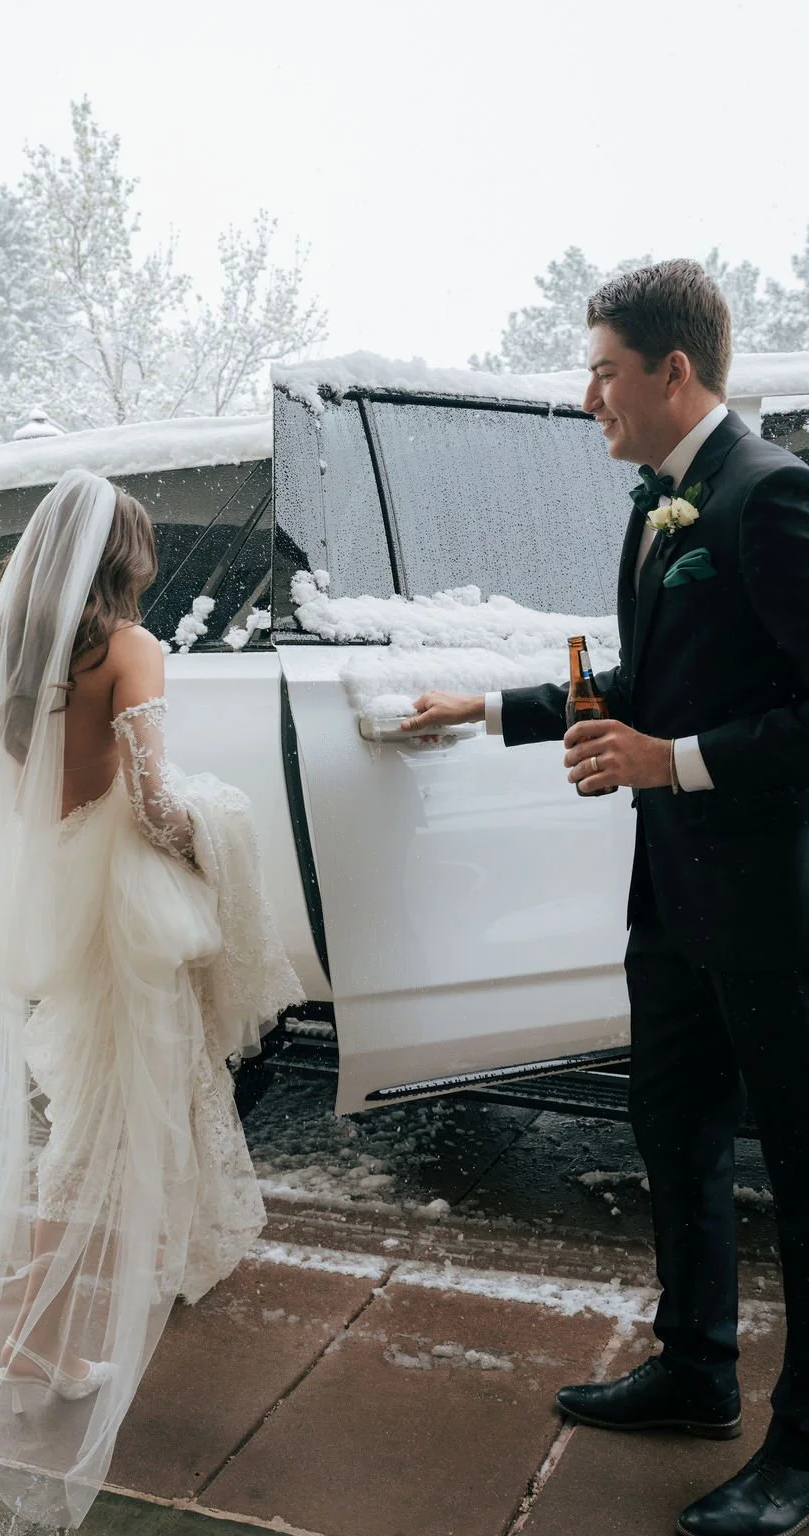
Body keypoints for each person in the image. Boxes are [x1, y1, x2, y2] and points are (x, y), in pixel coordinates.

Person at [404, 259, 809, 1536]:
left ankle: (800, 1454)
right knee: (671, 1125)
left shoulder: (767, 495)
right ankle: (696, 1372)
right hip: (673, 897)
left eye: (599, 371)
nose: (586, 397)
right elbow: (656, 670)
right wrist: (494, 708)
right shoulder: (660, 507)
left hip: (774, 909)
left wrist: (669, 764)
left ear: (669, 371)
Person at [0, 468, 302, 1529]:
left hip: (59, 890)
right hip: (126, 914)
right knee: (116, 1119)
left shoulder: (8, 651)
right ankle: (33, 1331)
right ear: (127, 559)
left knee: (91, 1111)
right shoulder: (129, 649)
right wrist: (217, 836)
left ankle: (58, 1319)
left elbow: (27, 790)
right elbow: (152, 801)